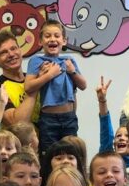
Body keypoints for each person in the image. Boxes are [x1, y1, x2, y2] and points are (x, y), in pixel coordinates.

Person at [25, 20, 87, 149]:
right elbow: (28, 87)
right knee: (49, 153)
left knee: (71, 151)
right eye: (47, 36)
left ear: (64, 41)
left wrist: (72, 71)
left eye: (57, 36)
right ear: (40, 41)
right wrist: (49, 75)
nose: (52, 39)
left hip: (69, 117)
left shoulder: (69, 60)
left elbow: (83, 85)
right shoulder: (36, 61)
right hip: (48, 119)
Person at [0, 28, 39, 127]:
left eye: (13, 48)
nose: (11, 54)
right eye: (4, 52)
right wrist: (34, 87)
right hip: (14, 138)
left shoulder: (37, 78)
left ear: (20, 51)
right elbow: (16, 124)